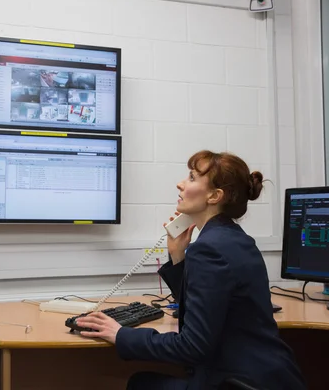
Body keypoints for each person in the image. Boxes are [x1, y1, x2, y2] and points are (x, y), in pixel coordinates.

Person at [75, 150, 306, 390]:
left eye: (193, 178)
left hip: (237, 382)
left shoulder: (209, 249)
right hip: (270, 375)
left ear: (215, 196)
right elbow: (205, 304)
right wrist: (178, 257)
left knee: (139, 383)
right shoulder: (236, 240)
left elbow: (192, 347)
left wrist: (121, 334)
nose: (181, 184)